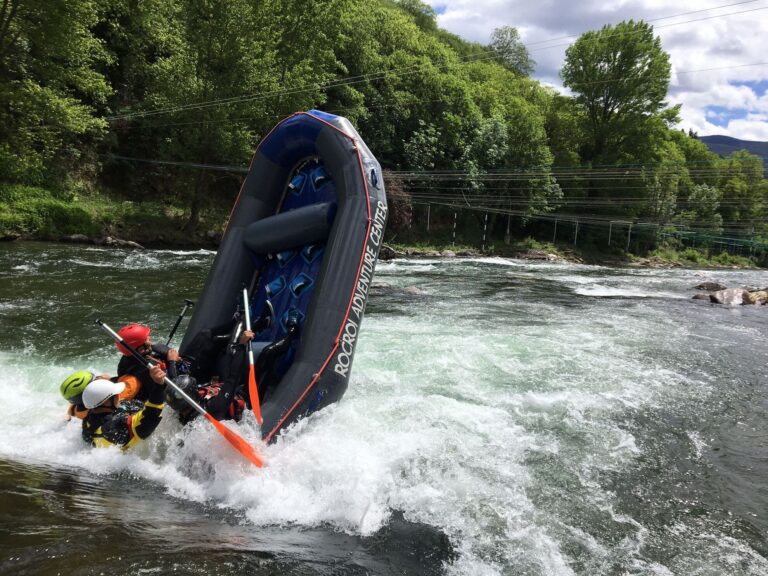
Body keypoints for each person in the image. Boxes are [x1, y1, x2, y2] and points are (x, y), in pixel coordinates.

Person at [81, 364, 167, 449]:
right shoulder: (115, 428)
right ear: (107, 402)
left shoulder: (89, 419)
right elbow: (150, 418)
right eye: (116, 394)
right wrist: (159, 385)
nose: (119, 395)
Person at [115, 323, 181, 400]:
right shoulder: (145, 368)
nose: (149, 338)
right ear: (140, 349)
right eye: (146, 339)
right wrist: (172, 362)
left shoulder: (131, 356)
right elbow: (174, 388)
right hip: (163, 398)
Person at [60, 370, 142, 421]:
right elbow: (133, 380)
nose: (99, 378)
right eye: (96, 380)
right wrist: (110, 380)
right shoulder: (118, 396)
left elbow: (70, 412)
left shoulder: (75, 409)